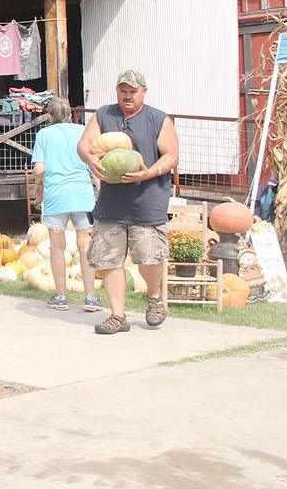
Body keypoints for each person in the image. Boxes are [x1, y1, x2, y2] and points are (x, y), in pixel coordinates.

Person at [77, 69, 179, 335]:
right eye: (123, 91)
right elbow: (84, 145)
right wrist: (91, 160)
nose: (128, 96)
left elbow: (171, 156)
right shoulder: (104, 115)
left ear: (143, 92)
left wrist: (148, 172)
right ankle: (118, 315)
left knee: (148, 257)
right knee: (109, 260)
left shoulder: (159, 119)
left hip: (148, 201)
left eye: (133, 91)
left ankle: (155, 297)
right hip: (111, 203)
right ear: (117, 91)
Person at [30, 98, 100, 313]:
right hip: (82, 193)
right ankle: (90, 297)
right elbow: (94, 161)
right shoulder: (82, 131)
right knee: (85, 245)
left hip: (56, 196)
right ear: (70, 115)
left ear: (49, 117)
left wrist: (38, 186)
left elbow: (39, 169)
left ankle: (61, 297)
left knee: (57, 246)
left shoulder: (44, 135)